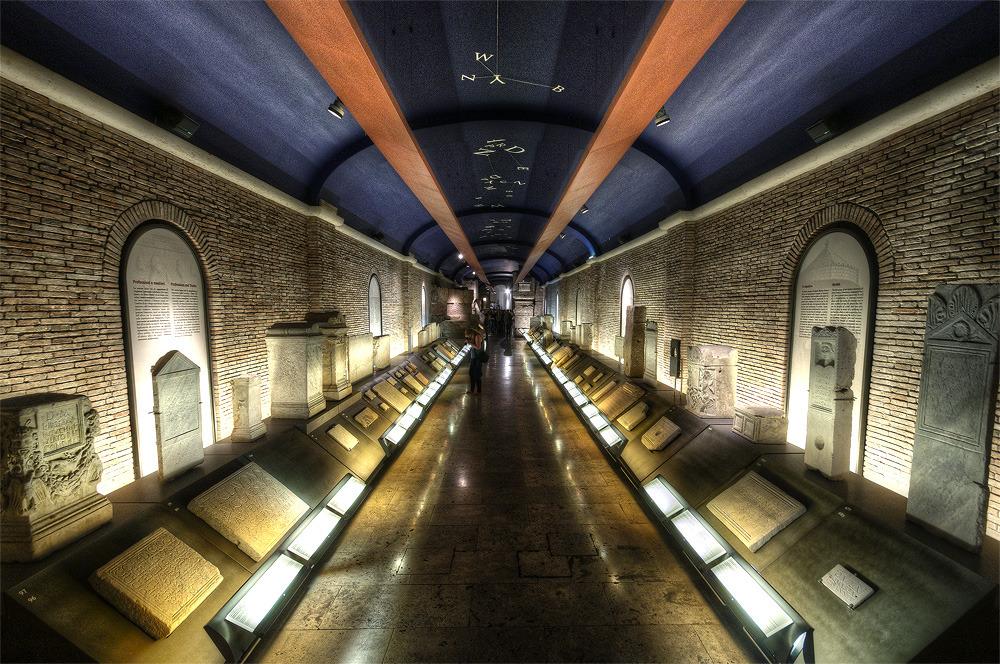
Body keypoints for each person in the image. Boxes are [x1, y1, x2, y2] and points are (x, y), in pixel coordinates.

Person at [466, 325, 484, 395]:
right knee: (471, 373)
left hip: (477, 358)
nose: (469, 337)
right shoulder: (474, 337)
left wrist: (470, 343)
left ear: (471, 333)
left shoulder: (477, 336)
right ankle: (472, 389)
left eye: (469, 335)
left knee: (476, 374)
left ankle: (479, 391)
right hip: (474, 357)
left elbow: (478, 347)